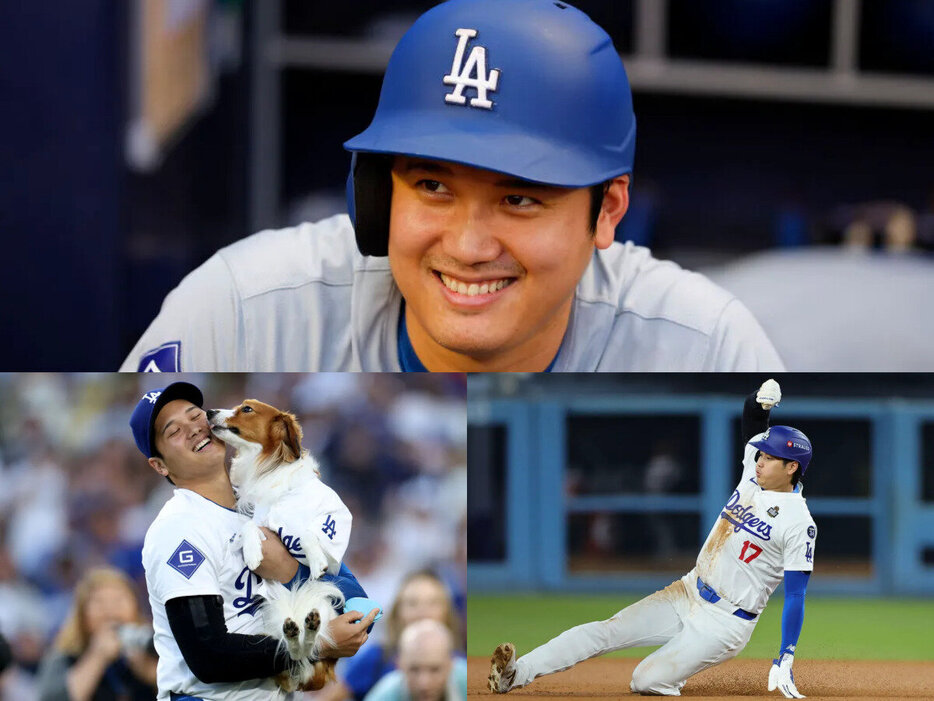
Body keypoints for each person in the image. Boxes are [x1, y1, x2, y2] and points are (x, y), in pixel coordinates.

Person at [121, 0, 783, 373]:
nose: (467, 244)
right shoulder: (240, 310)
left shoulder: (708, 347)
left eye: (519, 197)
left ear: (606, 210)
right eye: (432, 184)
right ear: (379, 195)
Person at [489, 379, 816, 698]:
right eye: (760, 455)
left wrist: (786, 653)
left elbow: (796, 595)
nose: (759, 461)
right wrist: (758, 399)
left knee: (645, 681)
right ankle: (516, 674)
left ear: (791, 467)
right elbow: (753, 418)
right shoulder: (753, 477)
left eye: (769, 458)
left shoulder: (798, 522)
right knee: (607, 630)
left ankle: (673, 676)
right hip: (688, 591)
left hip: (726, 622)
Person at [128, 382, 380, 700]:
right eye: (173, 431)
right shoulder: (179, 527)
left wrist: (291, 572)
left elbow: (359, 609)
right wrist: (318, 642)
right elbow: (208, 656)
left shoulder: (268, 503)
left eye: (195, 415)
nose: (193, 429)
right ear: (160, 465)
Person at [322, 570, 461, 701]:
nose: (422, 611)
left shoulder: (461, 666)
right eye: (412, 603)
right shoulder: (376, 659)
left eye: (433, 603)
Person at [35, 567, 157, 701]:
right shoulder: (64, 657)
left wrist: (153, 676)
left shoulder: (153, 648)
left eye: (118, 600)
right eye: (99, 602)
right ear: (82, 615)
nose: (110, 610)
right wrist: (97, 657)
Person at [364, 620, 466, 701]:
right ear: (399, 665)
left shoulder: (467, 683)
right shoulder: (383, 695)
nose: (424, 684)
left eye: (435, 669)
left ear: (451, 664)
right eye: (414, 669)